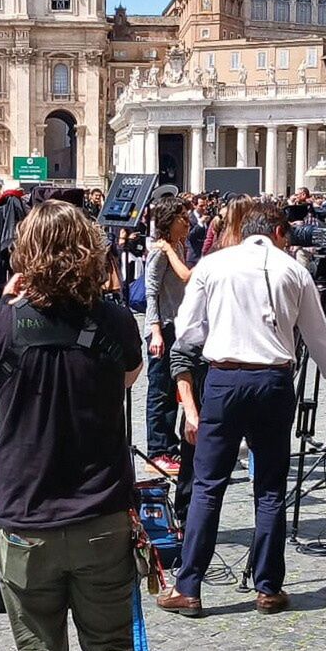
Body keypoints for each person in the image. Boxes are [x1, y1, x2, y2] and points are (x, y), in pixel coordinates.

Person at [0, 201, 143, 651]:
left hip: (26, 518)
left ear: (24, 255)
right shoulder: (116, 320)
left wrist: (5, 308)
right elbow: (129, 376)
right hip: (101, 515)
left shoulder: (0, 324)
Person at [158, 202, 326, 617]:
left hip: (225, 378)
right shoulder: (294, 270)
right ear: (279, 232)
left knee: (208, 485)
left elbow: (188, 331)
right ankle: (268, 587)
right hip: (273, 381)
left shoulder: (214, 265)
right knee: (269, 488)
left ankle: (189, 586)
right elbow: (321, 342)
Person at [142, 197, 193, 480]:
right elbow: (151, 292)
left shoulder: (177, 246)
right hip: (162, 327)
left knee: (173, 387)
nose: (187, 222)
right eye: (181, 217)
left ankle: (169, 447)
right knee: (160, 390)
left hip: (177, 325)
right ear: (168, 220)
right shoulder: (159, 252)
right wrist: (155, 331)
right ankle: (158, 450)